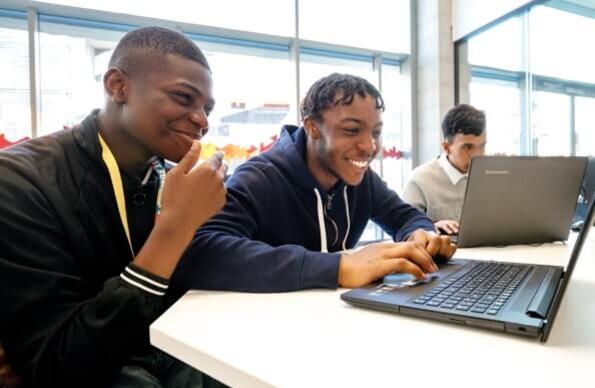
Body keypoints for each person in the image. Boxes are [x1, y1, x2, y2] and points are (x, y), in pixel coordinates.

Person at [0, 26, 228, 387]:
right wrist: (175, 229)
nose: (202, 120)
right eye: (184, 98)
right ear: (117, 86)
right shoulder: (20, 180)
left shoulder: (169, 178)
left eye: (207, 108)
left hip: (167, 356)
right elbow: (56, 363)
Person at [173, 73, 456, 293]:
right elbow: (203, 251)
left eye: (376, 132)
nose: (369, 146)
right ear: (311, 128)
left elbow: (404, 215)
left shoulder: (361, 179)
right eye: (351, 130)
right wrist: (339, 268)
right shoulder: (259, 178)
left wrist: (420, 234)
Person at [402, 104, 486, 235]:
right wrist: (432, 226)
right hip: (439, 255)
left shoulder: (489, 176)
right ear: (446, 147)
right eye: (468, 147)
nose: (478, 155)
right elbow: (404, 228)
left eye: (482, 146)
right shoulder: (420, 180)